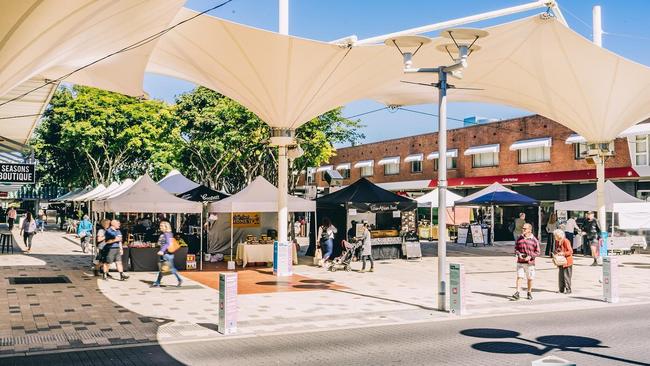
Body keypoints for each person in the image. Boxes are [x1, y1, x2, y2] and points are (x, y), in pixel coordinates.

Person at [512, 223, 541, 301]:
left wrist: (530, 256)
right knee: (519, 277)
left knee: (530, 278)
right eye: (523, 228)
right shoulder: (519, 238)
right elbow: (516, 249)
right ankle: (517, 292)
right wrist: (518, 254)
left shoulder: (534, 240)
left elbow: (538, 252)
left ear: (529, 230)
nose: (523, 230)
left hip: (530, 263)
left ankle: (529, 292)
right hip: (520, 261)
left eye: (525, 228)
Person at [151, 221, 182, 288]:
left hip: (166, 254)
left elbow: (167, 243)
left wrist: (162, 250)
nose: (160, 227)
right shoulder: (167, 234)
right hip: (167, 254)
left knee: (170, 269)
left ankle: (179, 279)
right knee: (163, 268)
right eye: (160, 225)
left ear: (166, 227)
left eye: (162, 226)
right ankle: (158, 282)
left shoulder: (167, 234)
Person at [553, 229, 574, 294]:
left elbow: (570, 251)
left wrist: (563, 253)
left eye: (555, 235)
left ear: (559, 235)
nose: (554, 237)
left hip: (567, 261)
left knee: (566, 276)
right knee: (561, 275)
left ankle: (568, 290)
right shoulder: (557, 241)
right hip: (561, 261)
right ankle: (561, 289)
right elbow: (557, 249)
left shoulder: (565, 241)